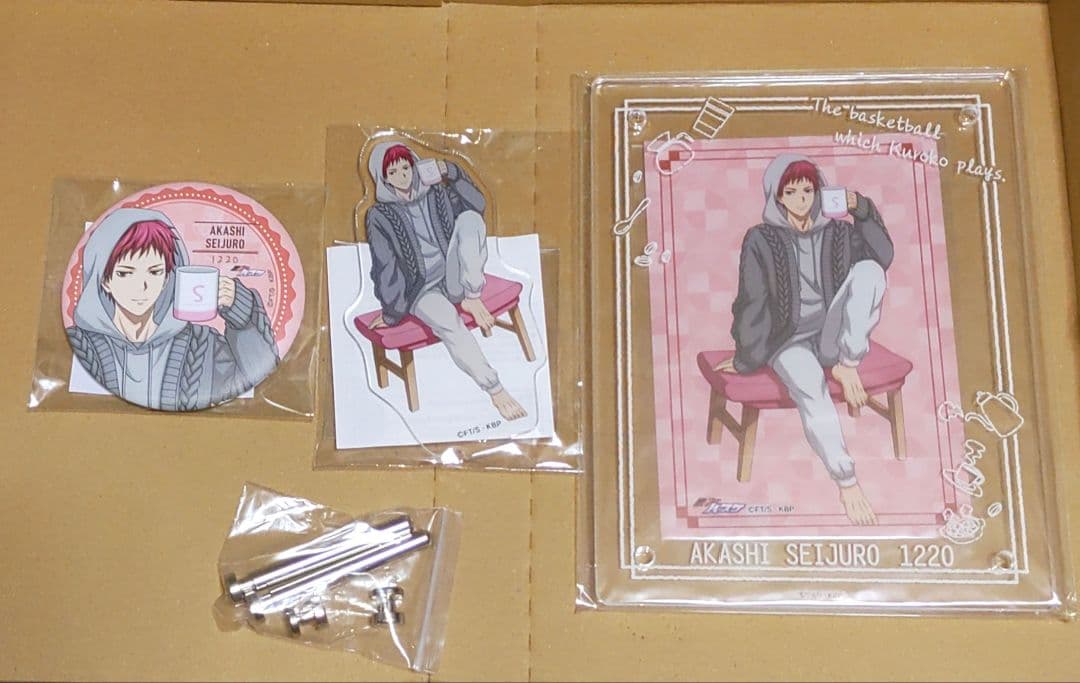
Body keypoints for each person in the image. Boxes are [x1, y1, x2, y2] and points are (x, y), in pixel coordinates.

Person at [714, 154, 893, 526]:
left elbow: (883, 258)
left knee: (869, 271)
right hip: (787, 340)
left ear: (818, 192)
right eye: (791, 191)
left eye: (808, 190)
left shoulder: (838, 232)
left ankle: (848, 364)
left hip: (832, 336)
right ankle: (847, 482)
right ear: (777, 196)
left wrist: (861, 209)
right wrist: (747, 358)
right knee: (811, 387)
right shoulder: (761, 238)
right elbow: (752, 299)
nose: (800, 199)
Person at [364, 142, 527, 421]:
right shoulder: (380, 216)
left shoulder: (436, 192)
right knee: (450, 322)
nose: (403, 176)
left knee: (470, 220)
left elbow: (478, 205)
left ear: (415, 165)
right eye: (393, 172)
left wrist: (451, 172)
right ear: (383, 178)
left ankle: (472, 296)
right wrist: (392, 313)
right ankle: (495, 389)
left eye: (406, 167)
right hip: (421, 291)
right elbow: (385, 265)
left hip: (455, 277)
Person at [67, 207, 279, 411]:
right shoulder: (79, 343)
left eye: (154, 272)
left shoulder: (202, 344)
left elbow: (261, 375)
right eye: (125, 273)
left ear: (168, 278)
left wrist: (242, 312)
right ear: (104, 280)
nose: (141, 286)